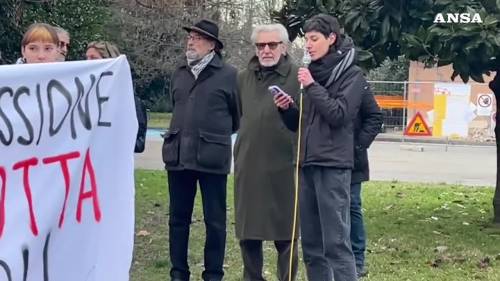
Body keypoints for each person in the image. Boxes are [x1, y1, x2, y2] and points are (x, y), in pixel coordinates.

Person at [275, 13, 366, 281]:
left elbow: (339, 114)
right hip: (307, 164)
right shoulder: (311, 74)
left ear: (332, 39)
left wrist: (312, 86)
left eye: (314, 39)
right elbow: (302, 123)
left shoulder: (352, 75)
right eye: (306, 40)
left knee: (336, 244)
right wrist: (287, 110)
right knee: (312, 245)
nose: (308, 45)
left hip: (333, 167)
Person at [161, 19, 239, 281]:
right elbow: (176, 106)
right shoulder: (179, 71)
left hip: (212, 158)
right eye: (190, 37)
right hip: (178, 155)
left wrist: (212, 136)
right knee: (177, 220)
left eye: (197, 37)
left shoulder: (229, 75)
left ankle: (213, 274)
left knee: (215, 222)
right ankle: (178, 273)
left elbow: (237, 116)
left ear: (213, 46)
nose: (191, 41)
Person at [234, 23, 299, 281]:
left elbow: (303, 120)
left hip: (284, 164)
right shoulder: (242, 78)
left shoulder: (297, 76)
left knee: (287, 234)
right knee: (248, 232)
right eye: (261, 45)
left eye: (272, 45)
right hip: (248, 164)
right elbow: (238, 114)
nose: (266, 50)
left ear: (283, 47)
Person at [85, 41, 148, 153]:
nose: (88, 62)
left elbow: (139, 142)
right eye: (87, 58)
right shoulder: (84, 95)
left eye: (93, 58)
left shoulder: (128, 99)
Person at [350, 77, 383, 278]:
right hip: (327, 157)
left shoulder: (357, 82)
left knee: (352, 206)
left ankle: (357, 259)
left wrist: (359, 145)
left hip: (353, 160)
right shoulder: (318, 75)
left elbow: (375, 117)